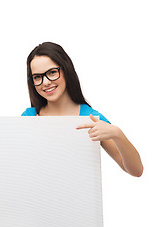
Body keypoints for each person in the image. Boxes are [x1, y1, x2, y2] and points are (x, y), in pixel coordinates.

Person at [22, 42, 143, 177]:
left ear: (66, 70)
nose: (45, 82)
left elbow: (136, 171)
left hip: (79, 197)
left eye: (52, 72)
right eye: (37, 77)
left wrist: (117, 134)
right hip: (39, 196)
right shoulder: (29, 117)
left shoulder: (91, 118)